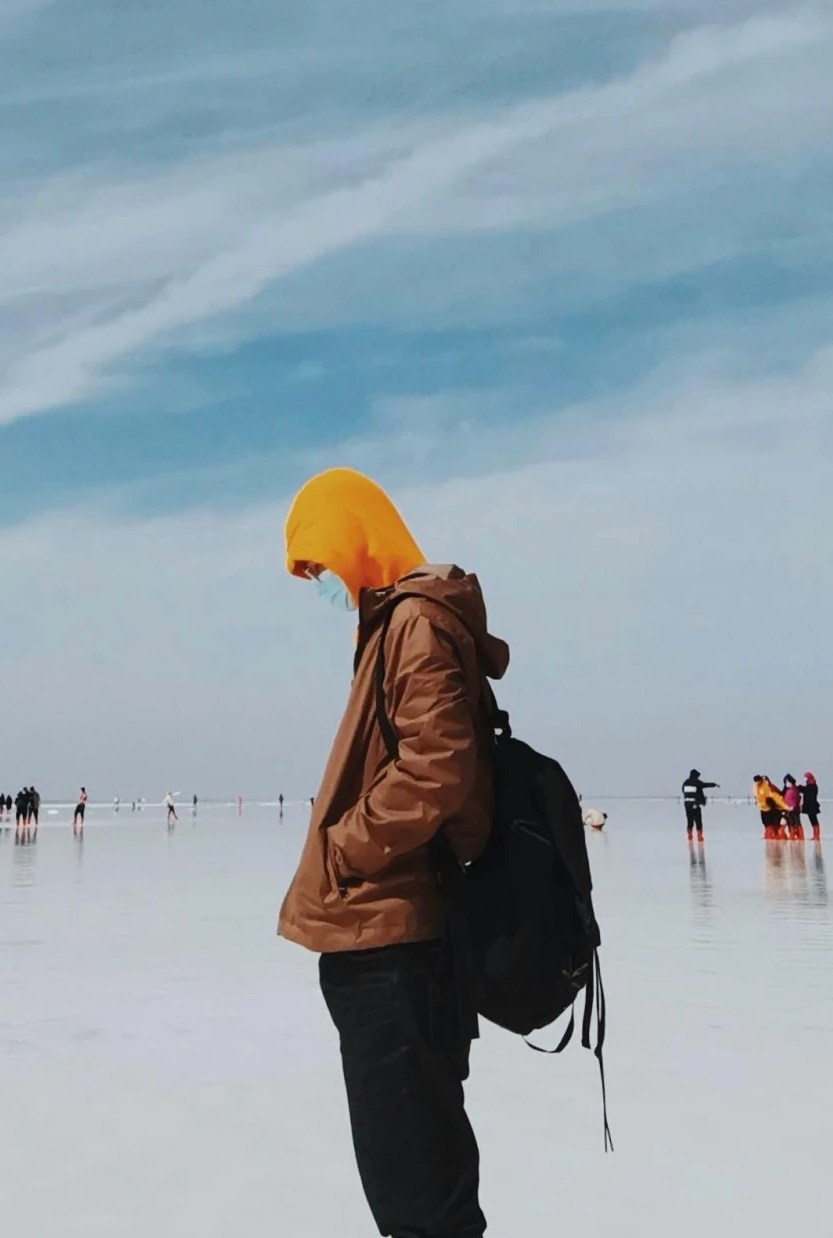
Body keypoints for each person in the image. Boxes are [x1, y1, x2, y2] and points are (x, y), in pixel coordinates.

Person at [278, 467, 507, 1238]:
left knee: (415, 1192)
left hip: (394, 937)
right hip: (386, 932)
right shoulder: (394, 625)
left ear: (356, 537)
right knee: (414, 1177)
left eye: (320, 565)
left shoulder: (414, 621)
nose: (322, 586)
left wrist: (347, 847)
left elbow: (438, 762)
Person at [681, 769, 716, 844]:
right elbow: (705, 785)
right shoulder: (696, 782)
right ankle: (700, 836)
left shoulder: (685, 782)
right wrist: (714, 784)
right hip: (694, 803)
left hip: (687, 804)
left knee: (689, 819)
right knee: (698, 819)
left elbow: (683, 791)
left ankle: (689, 834)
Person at [753, 775, 785, 840]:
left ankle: (774, 835)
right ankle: (769, 834)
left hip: (772, 808)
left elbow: (779, 794)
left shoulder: (772, 787)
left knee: (773, 822)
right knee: (765, 822)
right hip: (763, 808)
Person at [781, 774, 804, 840]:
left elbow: (796, 798)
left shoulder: (794, 789)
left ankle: (798, 835)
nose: (787, 783)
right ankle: (792, 834)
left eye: (788, 782)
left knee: (796, 822)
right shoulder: (788, 789)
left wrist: (793, 806)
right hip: (788, 808)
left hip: (793, 808)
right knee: (790, 822)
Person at [801, 771, 822, 841]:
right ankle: (816, 835)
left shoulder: (812, 786)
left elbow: (806, 791)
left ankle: (817, 835)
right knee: (813, 820)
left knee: (814, 820)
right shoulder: (810, 785)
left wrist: (799, 786)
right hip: (810, 806)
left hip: (812, 806)